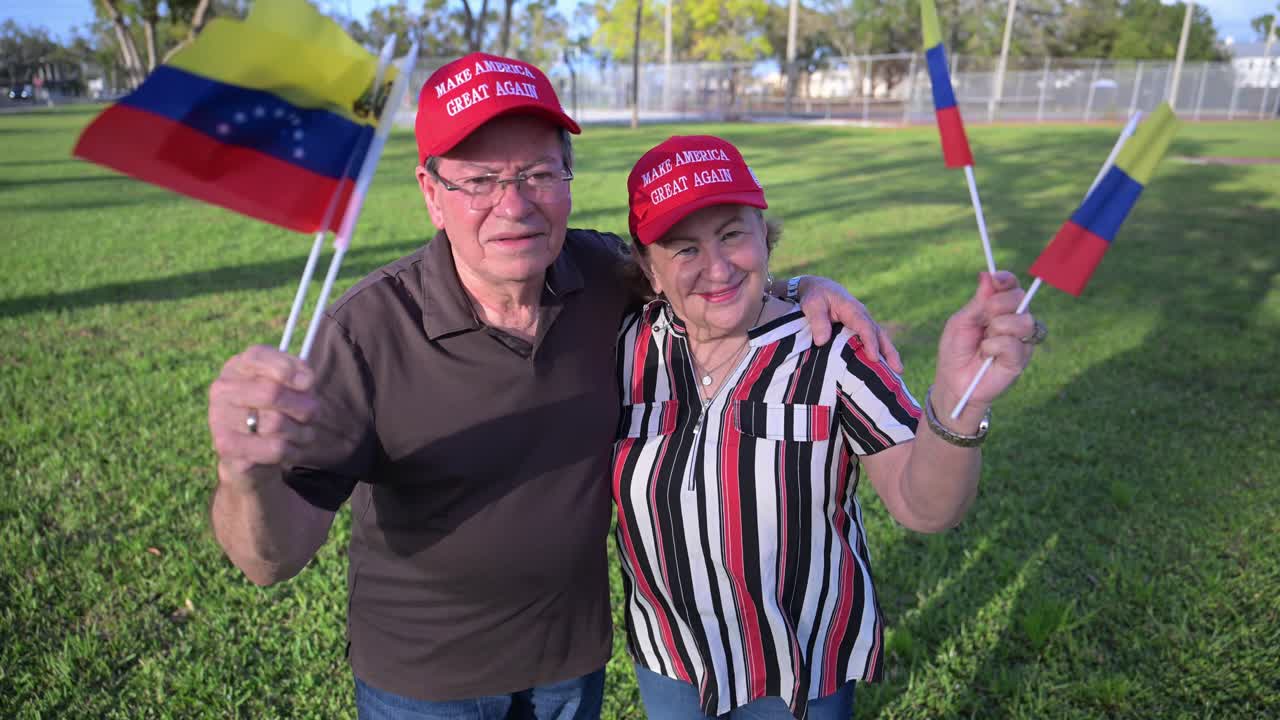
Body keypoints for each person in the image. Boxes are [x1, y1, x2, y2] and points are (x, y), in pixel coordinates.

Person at [206, 53, 902, 719]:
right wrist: (245, 477)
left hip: (570, 666)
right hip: (425, 684)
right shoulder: (366, 331)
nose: (515, 206)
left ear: (569, 178)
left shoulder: (601, 274)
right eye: (479, 180)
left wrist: (803, 287)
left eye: (540, 173)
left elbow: (704, 278)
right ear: (431, 194)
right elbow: (272, 562)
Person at [612, 135, 1044, 719]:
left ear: (765, 234)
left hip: (797, 670)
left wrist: (957, 405)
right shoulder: (626, 345)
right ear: (649, 268)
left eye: (733, 233)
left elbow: (926, 508)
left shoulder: (830, 350)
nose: (716, 267)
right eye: (684, 248)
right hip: (670, 659)